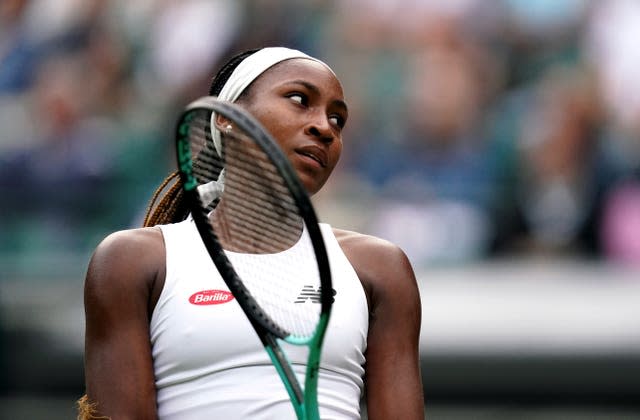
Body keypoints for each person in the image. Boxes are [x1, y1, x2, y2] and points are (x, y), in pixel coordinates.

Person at [78, 46, 424, 420]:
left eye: (337, 120)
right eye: (299, 99)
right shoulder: (130, 262)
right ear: (227, 118)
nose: (325, 128)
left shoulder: (381, 269)